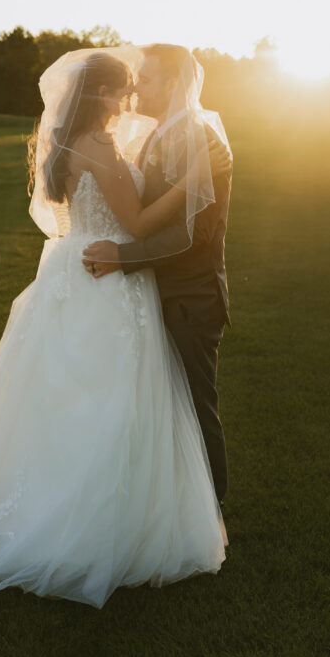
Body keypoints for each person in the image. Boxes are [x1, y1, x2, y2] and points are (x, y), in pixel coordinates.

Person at [0, 46, 230, 609]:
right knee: (109, 404)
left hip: (68, 273)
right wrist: (191, 179)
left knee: (52, 402)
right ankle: (98, 526)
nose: (129, 97)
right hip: (105, 280)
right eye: (122, 88)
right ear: (97, 95)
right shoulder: (100, 146)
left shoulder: (68, 144)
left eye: (137, 85)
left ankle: (38, 507)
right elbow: (138, 222)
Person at [82, 44, 232, 505]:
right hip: (154, 295)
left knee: (194, 406)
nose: (134, 87)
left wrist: (123, 256)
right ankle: (171, 506)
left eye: (145, 79)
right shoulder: (155, 135)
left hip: (189, 297)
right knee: (161, 408)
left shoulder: (200, 138)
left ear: (171, 85)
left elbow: (192, 236)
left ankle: (211, 512)